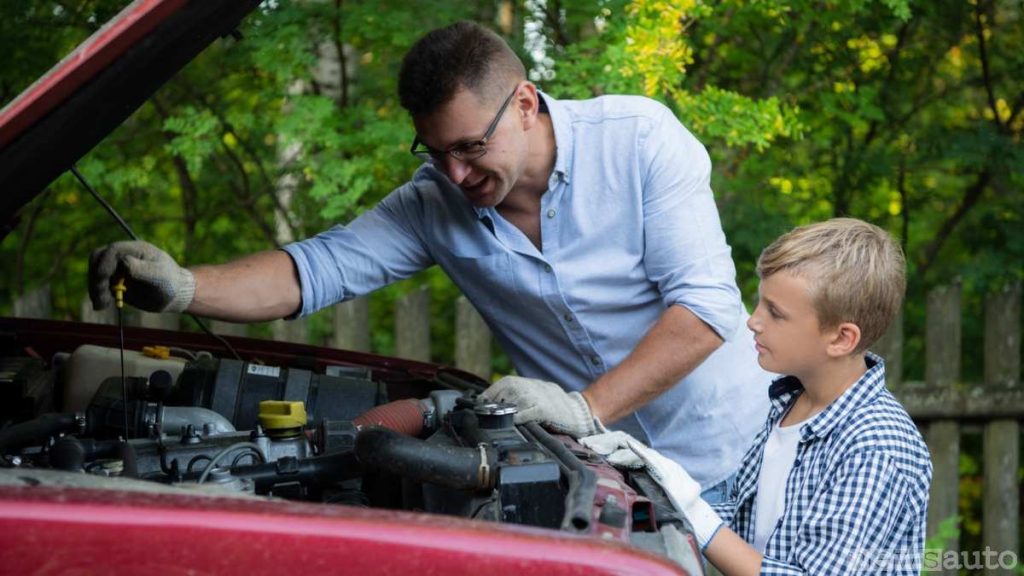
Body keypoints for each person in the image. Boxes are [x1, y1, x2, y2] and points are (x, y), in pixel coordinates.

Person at [88, 21, 769, 499]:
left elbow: (705, 308)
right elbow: (312, 270)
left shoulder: (641, 142)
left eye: (471, 147)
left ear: (526, 104)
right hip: (613, 483)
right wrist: (182, 285)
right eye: (435, 152)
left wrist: (586, 408)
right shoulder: (431, 204)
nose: (455, 173)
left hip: (742, 457)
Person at [583, 218, 932, 575]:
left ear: (842, 339)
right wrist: (656, 491)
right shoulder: (791, 404)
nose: (752, 321)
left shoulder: (875, 449)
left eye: (776, 314)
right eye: (759, 303)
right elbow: (742, 527)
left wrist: (693, 510)